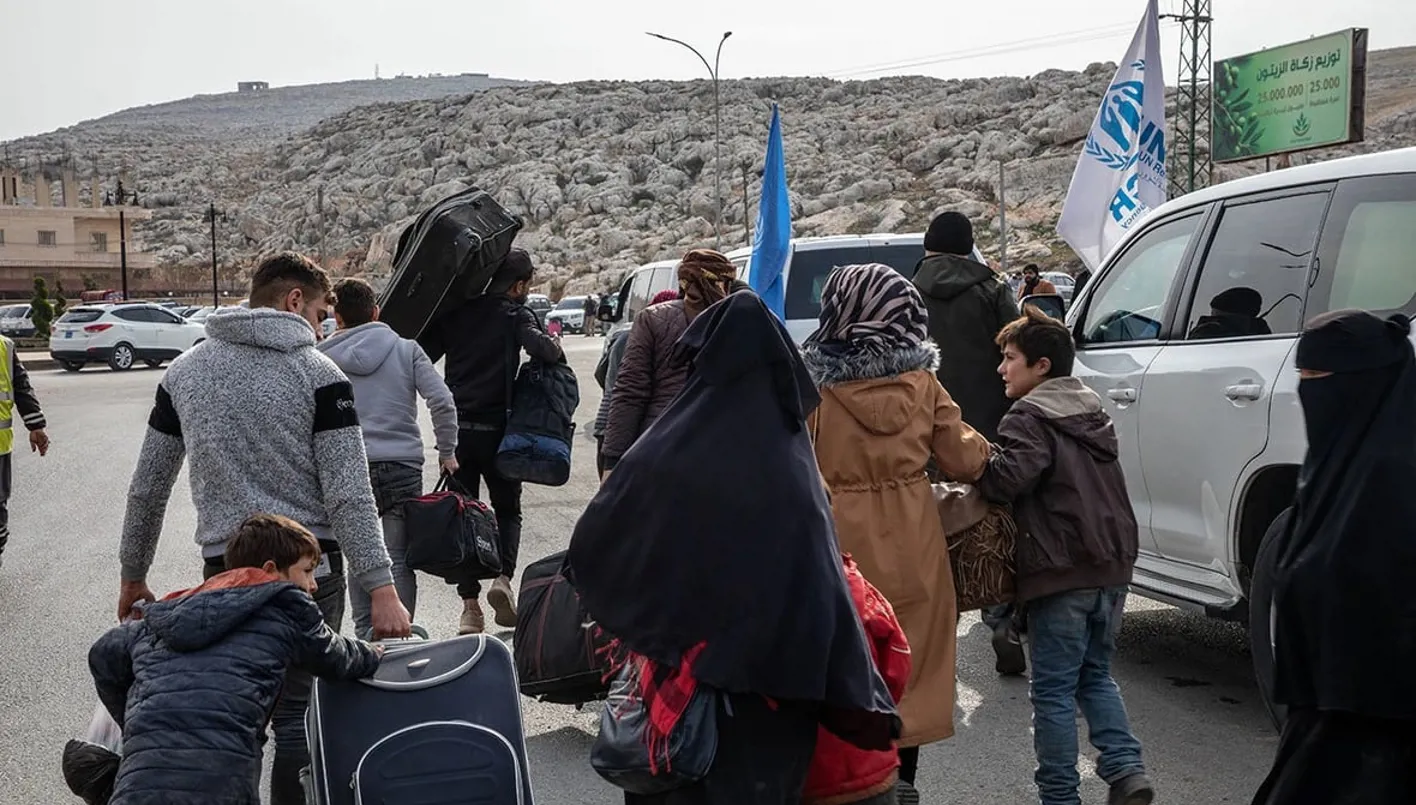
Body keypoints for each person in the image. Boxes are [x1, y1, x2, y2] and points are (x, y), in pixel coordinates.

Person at [568, 291, 901, 805]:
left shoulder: (663, 450)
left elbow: (596, 542)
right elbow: (819, 586)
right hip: (766, 710)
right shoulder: (794, 469)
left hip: (674, 699)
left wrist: (651, 620)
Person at [118, 251, 409, 805]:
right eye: (320, 314)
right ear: (294, 301)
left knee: (239, 706)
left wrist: (134, 574)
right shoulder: (321, 375)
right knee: (299, 713)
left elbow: (148, 486)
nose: (322, 328)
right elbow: (348, 492)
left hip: (224, 570)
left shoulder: (184, 373)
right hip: (310, 571)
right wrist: (381, 586)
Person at [801, 263, 990, 805]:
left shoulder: (814, 386)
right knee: (912, 666)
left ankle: (861, 782)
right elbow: (963, 457)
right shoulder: (924, 384)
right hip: (916, 544)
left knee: (847, 665)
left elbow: (794, 463)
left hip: (841, 548)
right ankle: (903, 779)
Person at [974, 308, 1152, 805]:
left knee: (1052, 691)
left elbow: (1009, 479)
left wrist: (980, 467)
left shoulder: (1029, 416)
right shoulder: (1091, 412)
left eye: (1010, 358)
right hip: (1111, 564)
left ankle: (1059, 796)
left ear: (1042, 366)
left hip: (1061, 570)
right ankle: (1126, 771)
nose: (1001, 369)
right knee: (1094, 675)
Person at [90, 514, 383, 805]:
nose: (313, 584)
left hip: (138, 787)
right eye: (307, 571)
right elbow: (333, 655)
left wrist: (134, 718)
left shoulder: (166, 614)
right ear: (270, 570)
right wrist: (373, 653)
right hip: (220, 786)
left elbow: (103, 654)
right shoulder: (287, 605)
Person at [1251, 310, 1416, 805]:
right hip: (1325, 709)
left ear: (1368, 382)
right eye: (1302, 375)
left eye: (1318, 376)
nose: (1308, 390)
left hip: (1379, 722)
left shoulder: (1396, 477)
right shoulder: (1332, 469)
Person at [418, 248, 564, 634]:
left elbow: (423, 351)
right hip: (499, 433)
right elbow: (545, 351)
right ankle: (503, 579)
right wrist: (551, 341)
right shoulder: (515, 314)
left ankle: (470, 607)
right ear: (518, 286)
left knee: (461, 512)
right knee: (507, 510)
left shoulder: (458, 311)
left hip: (457, 432)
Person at [911, 211, 1025, 676]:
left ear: (928, 246)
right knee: (994, 526)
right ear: (969, 246)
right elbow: (1017, 346)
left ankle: (941, 634)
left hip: (926, 430)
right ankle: (1001, 618)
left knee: (933, 531)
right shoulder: (993, 289)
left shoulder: (910, 292)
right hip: (987, 430)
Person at [319, 278, 460, 638]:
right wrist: (447, 451)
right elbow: (442, 401)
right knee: (396, 556)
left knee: (359, 552)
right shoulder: (406, 349)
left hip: (348, 465)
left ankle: (367, 636)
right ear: (376, 311)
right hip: (402, 465)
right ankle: (401, 635)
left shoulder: (322, 358)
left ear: (337, 317)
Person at [601, 250, 735, 478]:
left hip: (660, 448)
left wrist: (612, 461)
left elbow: (630, 392)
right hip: (722, 454)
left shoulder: (652, 319)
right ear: (725, 283)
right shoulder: (740, 321)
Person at [803, 556, 911, 805]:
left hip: (785, 775)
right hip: (866, 765)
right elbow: (896, 668)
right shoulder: (853, 585)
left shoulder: (738, 594)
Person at [0, 333, 49, 570]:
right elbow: (22, 387)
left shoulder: (4, 347)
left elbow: (20, 387)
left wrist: (36, 425)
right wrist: (36, 426)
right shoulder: (3, 346)